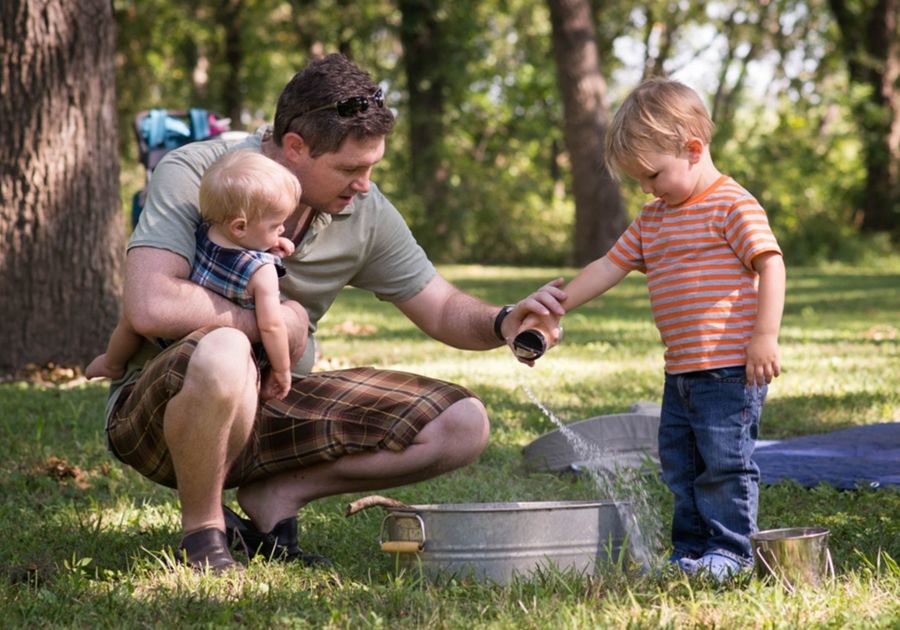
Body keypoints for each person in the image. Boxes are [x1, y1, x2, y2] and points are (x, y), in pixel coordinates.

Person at [102, 53, 563, 573]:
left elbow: (443, 306)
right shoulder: (198, 171)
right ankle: (205, 533)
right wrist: (276, 323)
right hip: (162, 413)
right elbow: (149, 303)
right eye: (350, 168)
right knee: (226, 347)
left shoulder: (362, 210)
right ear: (295, 148)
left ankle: (276, 497)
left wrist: (505, 321)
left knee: (462, 423)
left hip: (277, 402)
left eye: (371, 167)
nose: (364, 183)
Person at [525, 78, 786, 580]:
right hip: (683, 371)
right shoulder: (654, 219)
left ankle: (731, 551)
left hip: (730, 368)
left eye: (653, 175)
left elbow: (771, 264)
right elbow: (609, 265)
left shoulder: (732, 204)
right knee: (681, 465)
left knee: (724, 463)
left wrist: (764, 336)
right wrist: (558, 305)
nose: (647, 188)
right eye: (639, 181)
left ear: (692, 149)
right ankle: (691, 552)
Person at [87, 150, 301, 402]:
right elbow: (271, 325)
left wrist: (271, 240)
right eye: (275, 226)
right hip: (225, 356)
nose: (282, 229)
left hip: (173, 337)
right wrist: (282, 369)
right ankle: (260, 391)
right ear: (240, 226)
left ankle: (111, 363)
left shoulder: (204, 231)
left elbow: (238, 246)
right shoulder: (262, 272)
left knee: (130, 320)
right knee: (294, 313)